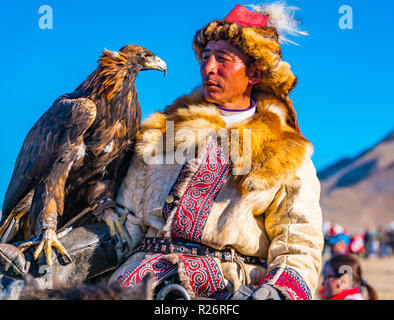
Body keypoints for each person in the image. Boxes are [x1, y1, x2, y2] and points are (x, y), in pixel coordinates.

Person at [106, 3, 324, 300]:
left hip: (229, 291)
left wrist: (278, 293)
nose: (208, 68)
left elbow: (298, 242)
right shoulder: (161, 134)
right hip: (136, 284)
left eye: (222, 59)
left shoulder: (285, 153)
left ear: (255, 73)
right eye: (206, 57)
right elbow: (124, 224)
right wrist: (67, 255)